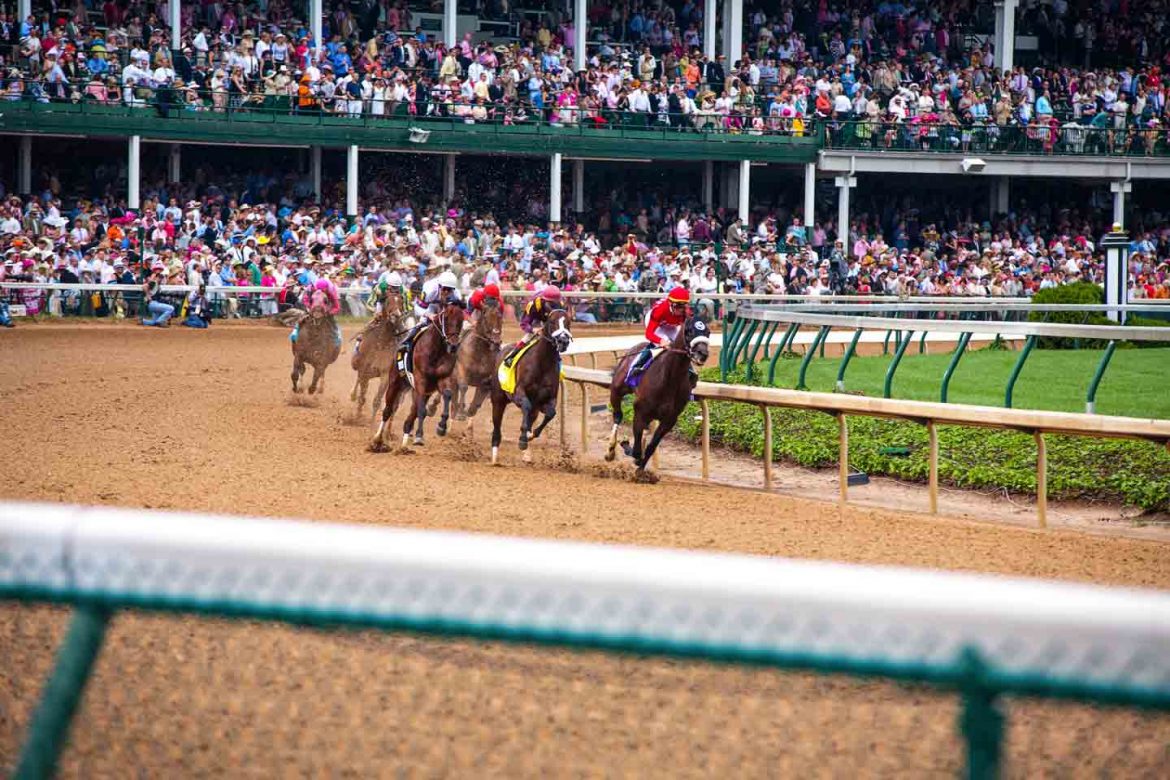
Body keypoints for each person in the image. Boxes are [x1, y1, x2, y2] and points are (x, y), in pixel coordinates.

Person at [629, 285, 689, 375]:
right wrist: (660, 341)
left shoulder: (686, 312)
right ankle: (638, 365)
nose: (681, 310)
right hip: (657, 324)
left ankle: (689, 369)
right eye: (678, 306)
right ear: (670, 303)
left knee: (682, 343)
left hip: (671, 325)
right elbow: (648, 334)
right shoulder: (659, 310)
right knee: (664, 344)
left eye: (683, 306)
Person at [502, 285, 561, 367]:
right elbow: (524, 323)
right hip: (536, 318)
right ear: (544, 300)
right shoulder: (534, 305)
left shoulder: (559, 304)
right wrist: (533, 330)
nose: (552, 306)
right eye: (550, 303)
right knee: (528, 337)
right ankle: (511, 357)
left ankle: (558, 363)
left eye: (554, 303)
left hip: (549, 320)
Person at [401, 269, 462, 347]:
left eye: (449, 289)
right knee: (421, 324)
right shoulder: (430, 291)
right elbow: (417, 309)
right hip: (430, 307)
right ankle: (407, 344)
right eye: (444, 289)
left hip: (445, 309)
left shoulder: (456, 295)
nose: (446, 292)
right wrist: (428, 315)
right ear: (439, 286)